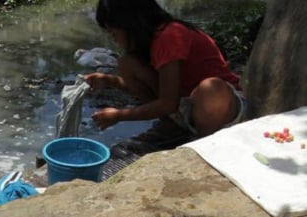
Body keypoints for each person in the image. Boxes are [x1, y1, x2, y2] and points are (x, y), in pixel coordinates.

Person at [84, 0, 246, 143]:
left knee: (210, 88)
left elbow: (168, 103)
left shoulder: (170, 36)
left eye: (113, 32)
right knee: (127, 63)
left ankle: (203, 144)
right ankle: (174, 128)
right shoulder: (152, 44)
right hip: (187, 106)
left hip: (222, 108)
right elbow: (162, 94)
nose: (114, 39)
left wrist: (120, 115)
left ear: (130, 24)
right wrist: (109, 81)